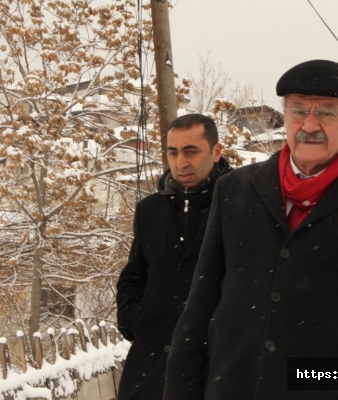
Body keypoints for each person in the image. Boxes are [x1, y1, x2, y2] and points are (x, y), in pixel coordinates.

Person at [163, 60, 338, 400]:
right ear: (285, 116)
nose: (309, 125)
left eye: (327, 113)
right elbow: (200, 308)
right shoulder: (235, 190)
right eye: (298, 110)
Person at [116, 114, 232, 400]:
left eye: (191, 151)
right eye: (173, 152)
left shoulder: (240, 205)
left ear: (216, 152)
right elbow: (135, 274)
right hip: (152, 366)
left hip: (218, 366)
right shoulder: (150, 210)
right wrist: (135, 319)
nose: (181, 162)